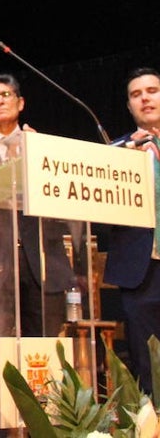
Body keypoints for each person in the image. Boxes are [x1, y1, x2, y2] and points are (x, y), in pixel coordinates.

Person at [0, 73, 77, 437]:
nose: (0, 100)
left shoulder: (45, 146)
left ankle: (49, 428)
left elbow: (62, 199)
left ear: (21, 103)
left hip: (44, 264)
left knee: (46, 353)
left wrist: (36, 158)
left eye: (7, 95)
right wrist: (10, 162)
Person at [103, 66, 160, 394]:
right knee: (147, 363)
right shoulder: (113, 154)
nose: (145, 99)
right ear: (129, 107)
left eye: (151, 91)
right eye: (136, 95)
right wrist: (122, 161)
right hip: (142, 271)